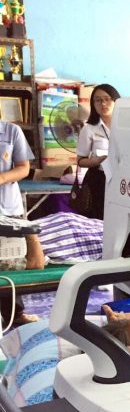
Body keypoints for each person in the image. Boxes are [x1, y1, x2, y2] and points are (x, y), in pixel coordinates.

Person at [0, 118, 45, 326]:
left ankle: (14, 314)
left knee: (12, 257)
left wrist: (1, 178)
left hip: (8, 207)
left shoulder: (11, 131)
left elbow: (23, 168)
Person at [75, 84, 121, 219]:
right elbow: (80, 160)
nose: (103, 104)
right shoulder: (89, 129)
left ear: (116, 101)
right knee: (100, 219)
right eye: (98, 100)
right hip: (99, 179)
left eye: (107, 99)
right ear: (93, 104)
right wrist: (95, 161)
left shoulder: (126, 126)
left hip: (121, 178)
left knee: (119, 217)